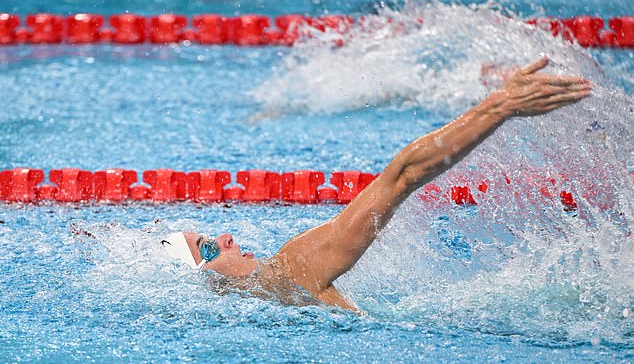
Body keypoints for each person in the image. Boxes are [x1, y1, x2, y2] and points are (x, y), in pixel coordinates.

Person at [162, 57, 591, 311]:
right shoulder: (291, 272)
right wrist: (499, 106)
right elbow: (401, 174)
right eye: (208, 248)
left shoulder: (281, 286)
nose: (226, 236)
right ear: (205, 279)